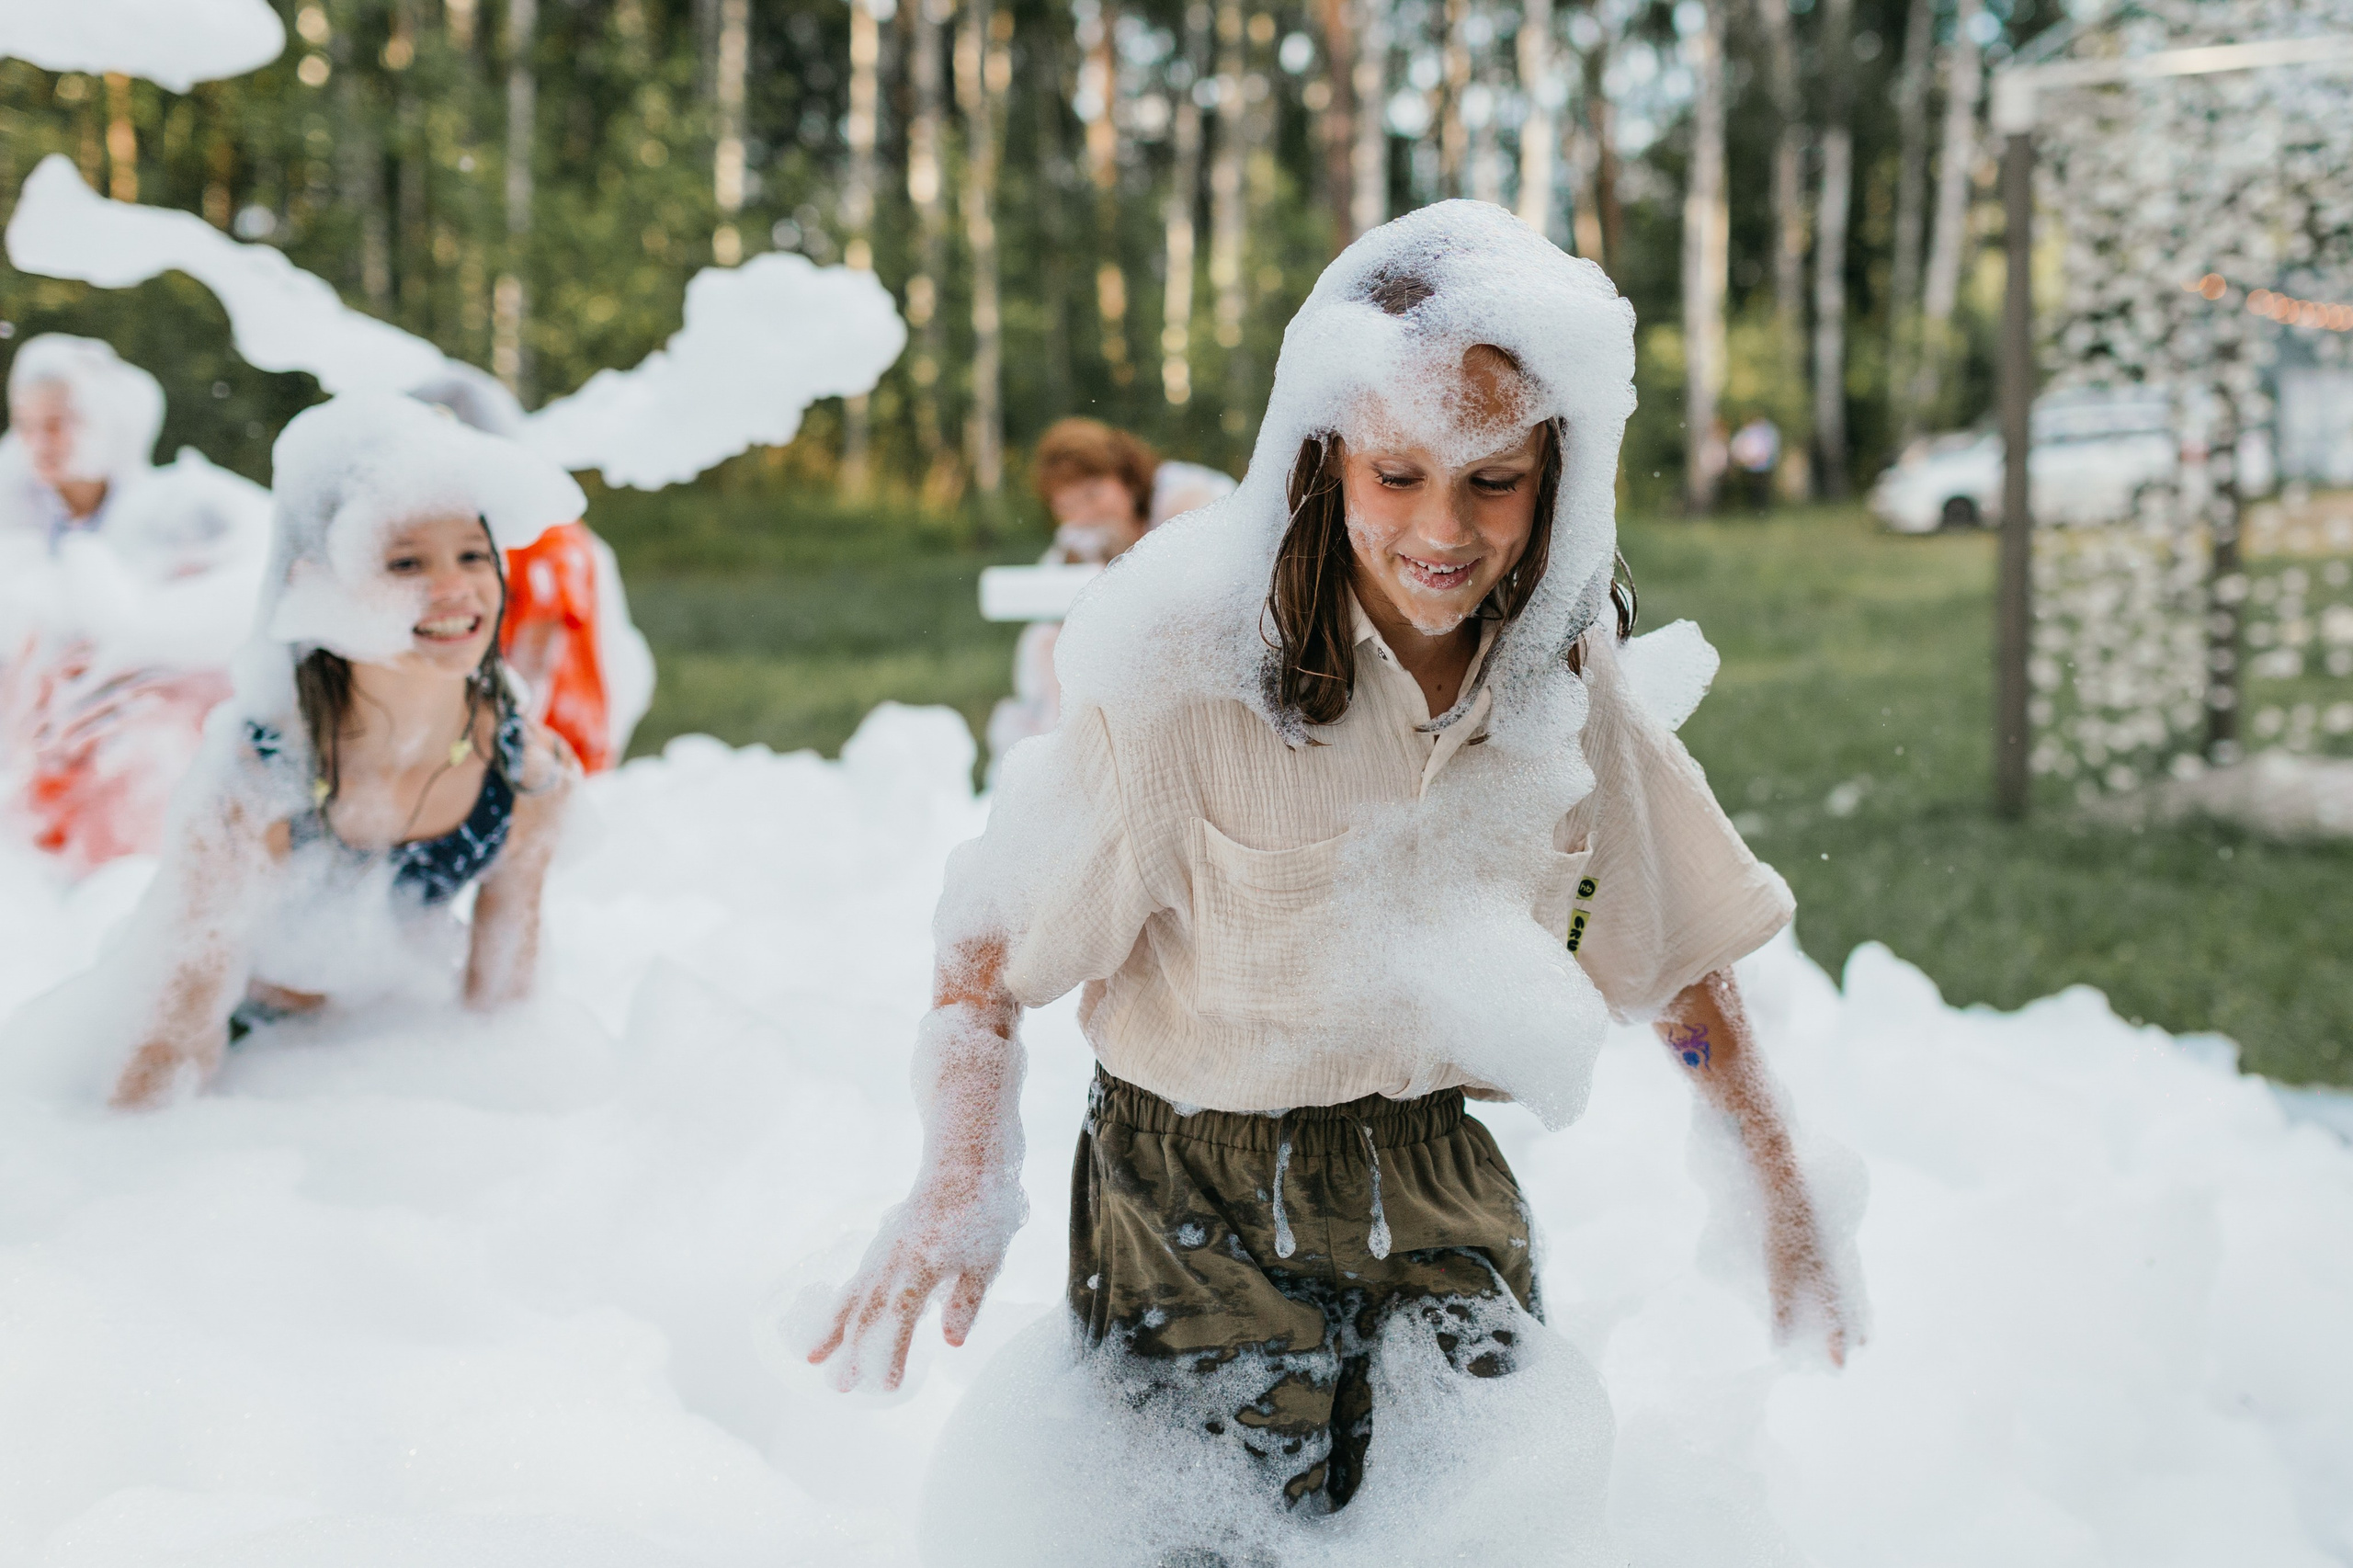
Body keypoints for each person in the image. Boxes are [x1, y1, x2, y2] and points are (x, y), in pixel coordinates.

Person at [809, 204, 1862, 1541]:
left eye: (1495, 480)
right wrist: (961, 1171)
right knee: (1226, 1539)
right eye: (1398, 473)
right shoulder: (1190, 685)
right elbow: (985, 949)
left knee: (1477, 1522)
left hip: (1436, 1180)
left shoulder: (1562, 693)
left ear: (1559, 480)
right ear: (1325, 462)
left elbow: (1675, 963)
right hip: (1195, 1194)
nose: (1444, 527)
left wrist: (1776, 1174)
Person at [104, 393, 583, 1110]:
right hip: (252, 1060)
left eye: (473, 555)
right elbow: (171, 1038)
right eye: (405, 563)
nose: (454, 587)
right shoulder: (263, 779)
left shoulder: (524, 777)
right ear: (318, 586)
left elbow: (502, 1017)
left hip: (393, 1061)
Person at [0, 335, 267, 871]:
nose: (40, 442)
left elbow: (220, 613)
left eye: (58, 424)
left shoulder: (171, 512)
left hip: (142, 729)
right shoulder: (17, 514)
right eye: (27, 426)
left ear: (107, 424)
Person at [407, 366, 655, 774]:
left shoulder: (542, 532)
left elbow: (538, 650)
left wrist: (500, 741)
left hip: (553, 749)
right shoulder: (516, 527)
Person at [986, 419, 1233, 767]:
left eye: (1093, 494)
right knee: (1044, 641)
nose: (1085, 514)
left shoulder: (1180, 494)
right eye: (1068, 507)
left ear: (1126, 481)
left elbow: (1206, 571)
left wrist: (1125, 555)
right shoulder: (1079, 537)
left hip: (1221, 643)